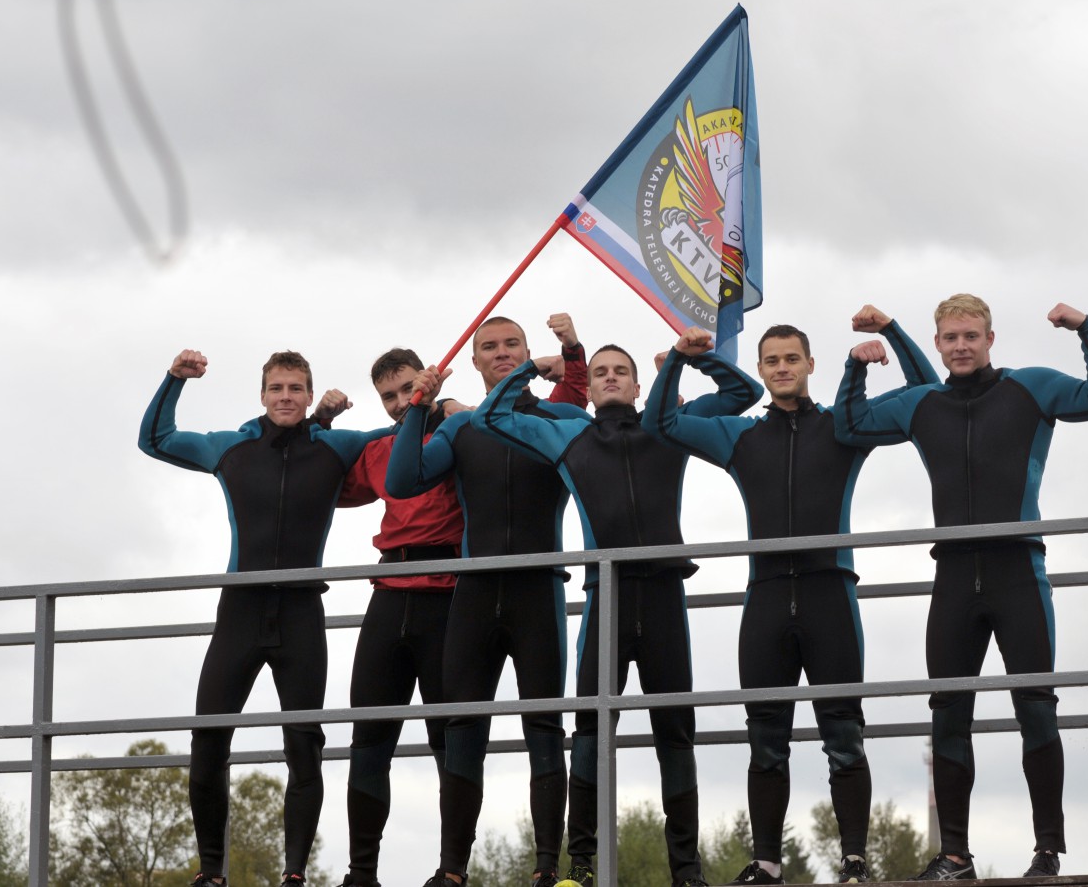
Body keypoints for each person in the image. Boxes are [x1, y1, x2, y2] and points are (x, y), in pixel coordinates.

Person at [834, 295, 1088, 880]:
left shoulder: (1030, 387)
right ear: (938, 344)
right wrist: (855, 366)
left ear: (991, 339)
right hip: (954, 577)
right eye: (951, 337)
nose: (961, 346)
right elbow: (849, 424)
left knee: (1035, 708)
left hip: (1019, 571)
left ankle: (1047, 851)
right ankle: (954, 856)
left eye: (971, 336)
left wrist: (1085, 328)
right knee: (947, 715)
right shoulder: (923, 403)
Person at [643, 316, 939, 886]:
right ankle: (767, 864)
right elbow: (661, 422)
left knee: (844, 736)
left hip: (831, 595)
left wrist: (892, 333)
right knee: (766, 741)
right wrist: (683, 358)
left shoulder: (847, 425)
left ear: (810, 364)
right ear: (761, 369)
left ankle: (854, 863)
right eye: (772, 361)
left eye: (792, 358)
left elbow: (926, 392)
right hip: (768, 597)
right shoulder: (739, 435)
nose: (782, 368)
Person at [473, 341, 763, 887]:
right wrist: (532, 368)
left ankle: (687, 872)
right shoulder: (569, 435)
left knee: (674, 732)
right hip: (606, 596)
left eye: (620, 372)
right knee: (590, 731)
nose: (610, 377)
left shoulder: (668, 424)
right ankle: (582, 866)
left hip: (663, 598)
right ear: (589, 387)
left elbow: (744, 392)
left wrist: (685, 360)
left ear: (636, 385)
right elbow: (490, 417)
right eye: (601, 372)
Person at [138, 349, 390, 887]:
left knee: (304, 744)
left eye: (295, 388)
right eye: (277, 388)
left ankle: (294, 873)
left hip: (301, 610)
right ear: (262, 395)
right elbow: (155, 439)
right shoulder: (231, 447)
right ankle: (211, 873)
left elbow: (400, 433)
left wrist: (435, 403)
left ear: (308, 394)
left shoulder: (336, 445)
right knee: (209, 737)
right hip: (241, 610)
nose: (285, 397)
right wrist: (174, 379)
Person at [386, 314, 588, 887]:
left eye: (512, 345)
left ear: (528, 351)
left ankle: (547, 867)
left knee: (543, 728)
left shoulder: (562, 420)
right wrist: (419, 406)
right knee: (463, 729)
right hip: (474, 594)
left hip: (538, 589)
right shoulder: (462, 427)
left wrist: (568, 358)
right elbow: (402, 480)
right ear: (473, 361)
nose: (502, 352)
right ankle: (452, 870)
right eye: (490, 347)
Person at [328, 348, 468, 887]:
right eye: (388, 396)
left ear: (426, 380)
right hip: (389, 592)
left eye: (407, 388)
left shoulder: (457, 430)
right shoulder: (381, 449)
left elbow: (495, 424)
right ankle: (361, 873)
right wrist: (323, 422)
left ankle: (451, 872)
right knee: (369, 737)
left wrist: (445, 403)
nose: (398, 401)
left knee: (450, 739)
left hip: (447, 593)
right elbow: (319, 482)